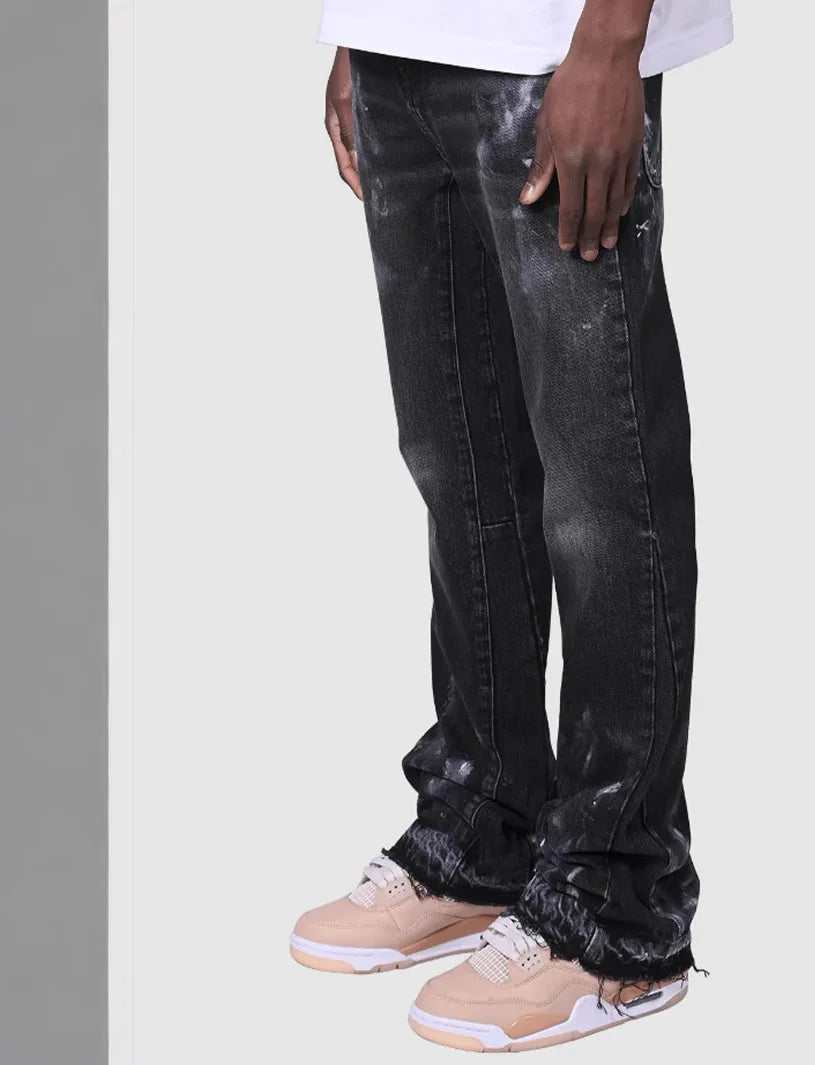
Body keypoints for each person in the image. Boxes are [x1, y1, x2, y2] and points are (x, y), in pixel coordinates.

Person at [290, 0, 733, 1050]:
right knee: (457, 464)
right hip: (406, 43)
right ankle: (481, 830)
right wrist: (360, 30)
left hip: (555, 51)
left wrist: (611, 42)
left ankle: (618, 903)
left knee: (601, 485)